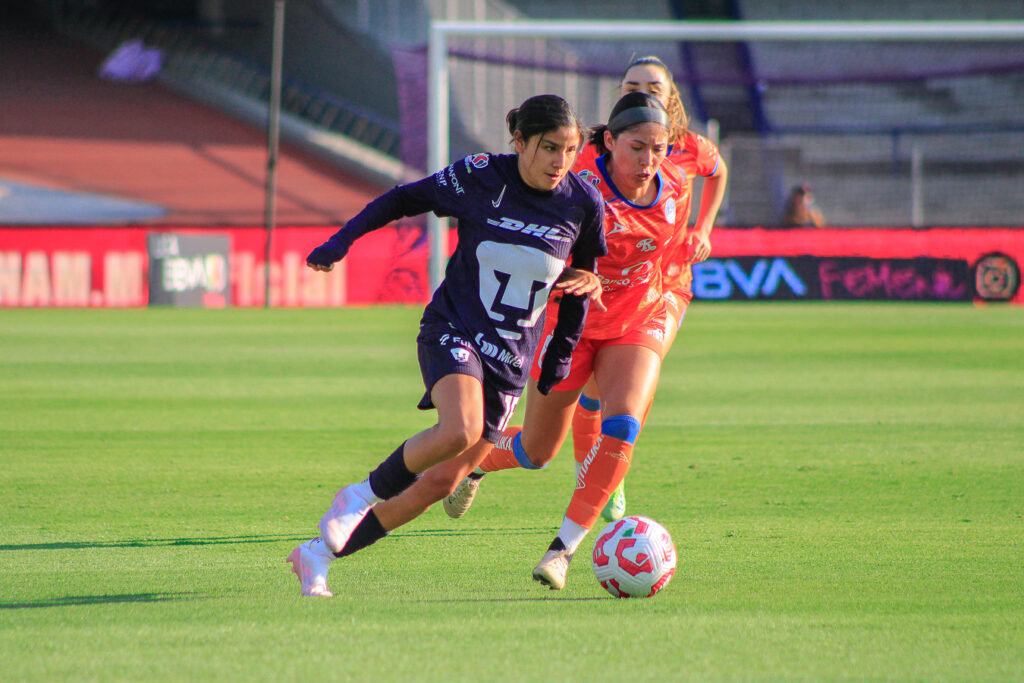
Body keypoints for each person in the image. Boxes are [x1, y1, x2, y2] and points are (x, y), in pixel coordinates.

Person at [286, 93, 607, 597]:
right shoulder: (480, 176)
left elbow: (583, 284)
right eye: (548, 148)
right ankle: (356, 495)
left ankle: (317, 555)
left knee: (439, 484)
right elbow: (401, 198)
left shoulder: (583, 202)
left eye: (570, 150)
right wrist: (340, 242)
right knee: (460, 427)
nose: (560, 162)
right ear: (519, 141)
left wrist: (561, 354)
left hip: (511, 359)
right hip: (454, 327)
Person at [444, 55, 729, 525]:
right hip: (590, 296)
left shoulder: (686, 149)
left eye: (654, 85)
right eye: (633, 84)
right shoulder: (597, 157)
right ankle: (501, 462)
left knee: (621, 396)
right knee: (546, 441)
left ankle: (599, 482)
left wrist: (704, 229)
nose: (645, 91)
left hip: (661, 288)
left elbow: (718, 172)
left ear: (671, 95)